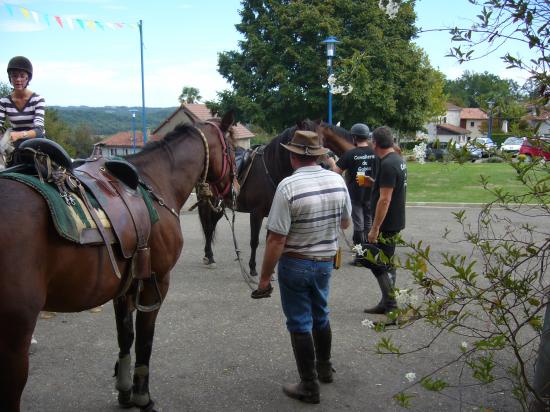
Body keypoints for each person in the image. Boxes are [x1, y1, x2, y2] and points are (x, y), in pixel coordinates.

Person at [251, 130, 351, 404]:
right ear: (319, 155)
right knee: (321, 314)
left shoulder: (287, 186)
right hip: (325, 262)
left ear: (293, 157)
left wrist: (264, 278)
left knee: (299, 321)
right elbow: (345, 223)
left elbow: (276, 239)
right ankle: (324, 368)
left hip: (296, 263)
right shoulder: (337, 181)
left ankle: (309, 386)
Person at [356, 126, 407, 315]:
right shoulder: (396, 160)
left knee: (374, 261)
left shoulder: (387, 164)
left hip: (387, 222)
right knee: (385, 263)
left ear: (375, 143)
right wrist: (373, 182)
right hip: (395, 219)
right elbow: (389, 186)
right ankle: (386, 302)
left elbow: (385, 199)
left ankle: (391, 307)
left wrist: (375, 228)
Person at [331, 123, 376, 249]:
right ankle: (369, 251)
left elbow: (336, 171)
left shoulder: (350, 154)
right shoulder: (375, 154)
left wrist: (330, 161)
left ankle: (360, 255)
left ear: (354, 137)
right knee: (368, 222)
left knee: (358, 224)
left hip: (355, 194)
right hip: (372, 193)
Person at [0, 56, 46, 165]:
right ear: (10, 78)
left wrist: (18, 135)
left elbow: (39, 130)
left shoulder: (38, 100)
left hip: (37, 143)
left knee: (52, 171)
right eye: (14, 76)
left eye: (22, 76)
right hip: (13, 144)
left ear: (28, 78)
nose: (18, 79)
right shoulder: (4, 101)